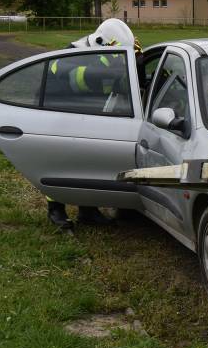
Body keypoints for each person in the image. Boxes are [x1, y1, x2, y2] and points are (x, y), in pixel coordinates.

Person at [46, 18, 142, 231]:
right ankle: (56, 210)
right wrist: (110, 70)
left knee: (88, 161)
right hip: (61, 115)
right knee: (60, 162)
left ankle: (88, 210)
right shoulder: (71, 54)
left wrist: (137, 65)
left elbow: (119, 85)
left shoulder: (107, 55)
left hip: (90, 115)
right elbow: (79, 80)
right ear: (101, 42)